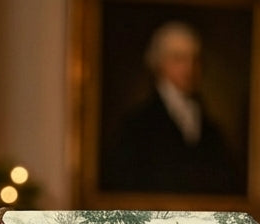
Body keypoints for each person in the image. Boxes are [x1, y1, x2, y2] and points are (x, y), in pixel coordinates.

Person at [101, 20, 243, 195]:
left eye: (195, 59)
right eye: (179, 59)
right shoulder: (136, 125)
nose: (189, 68)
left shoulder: (212, 130)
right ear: (159, 64)